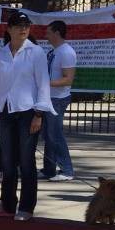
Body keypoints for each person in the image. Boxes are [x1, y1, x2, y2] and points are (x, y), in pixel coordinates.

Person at [0, 12, 53, 220]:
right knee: (7, 160)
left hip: (28, 111)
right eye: (18, 25)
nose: (23, 29)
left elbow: (43, 85)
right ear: (9, 29)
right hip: (6, 110)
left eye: (26, 25)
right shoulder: (1, 54)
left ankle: (26, 206)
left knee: (26, 160)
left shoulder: (36, 53)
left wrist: (39, 114)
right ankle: (7, 203)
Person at [42, 19, 76, 181]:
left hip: (58, 99)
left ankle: (67, 169)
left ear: (57, 33)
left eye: (49, 32)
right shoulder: (54, 51)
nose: (46, 35)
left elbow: (68, 79)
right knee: (49, 135)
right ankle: (49, 169)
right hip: (50, 97)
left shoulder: (66, 52)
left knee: (55, 135)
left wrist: (45, 83)